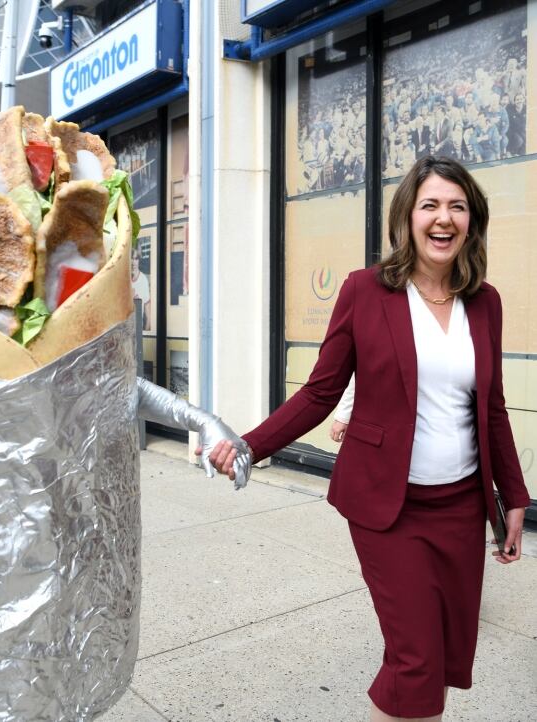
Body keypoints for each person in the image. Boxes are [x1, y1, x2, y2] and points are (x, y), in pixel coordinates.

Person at [208, 156, 530, 721]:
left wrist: (515, 500)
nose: (443, 218)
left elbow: (493, 409)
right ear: (407, 216)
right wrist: (250, 444)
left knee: (439, 655)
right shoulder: (365, 292)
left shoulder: (486, 302)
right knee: (417, 663)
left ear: (471, 222)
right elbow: (319, 393)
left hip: (459, 506)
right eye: (430, 204)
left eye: (457, 207)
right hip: (390, 508)